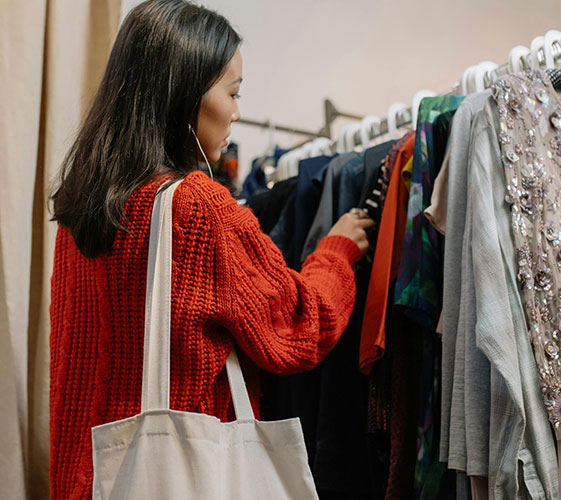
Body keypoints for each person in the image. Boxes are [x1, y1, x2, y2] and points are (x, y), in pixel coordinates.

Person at [48, 1, 373, 497]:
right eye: (232, 91)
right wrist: (336, 252)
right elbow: (301, 323)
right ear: (184, 94)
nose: (237, 112)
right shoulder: (197, 209)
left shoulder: (80, 211)